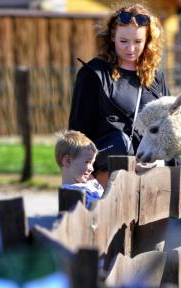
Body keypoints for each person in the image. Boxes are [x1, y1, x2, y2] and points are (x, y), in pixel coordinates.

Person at [68, 3, 170, 187]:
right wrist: (84, 172)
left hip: (153, 174)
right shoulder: (94, 73)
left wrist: (174, 167)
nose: (130, 49)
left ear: (148, 40)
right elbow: (78, 130)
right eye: (123, 41)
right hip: (109, 174)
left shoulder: (156, 77)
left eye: (138, 42)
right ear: (112, 36)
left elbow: (169, 124)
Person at [55, 130, 104, 209]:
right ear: (68, 161)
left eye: (92, 163)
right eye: (88, 162)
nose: (92, 169)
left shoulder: (88, 181)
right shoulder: (71, 196)